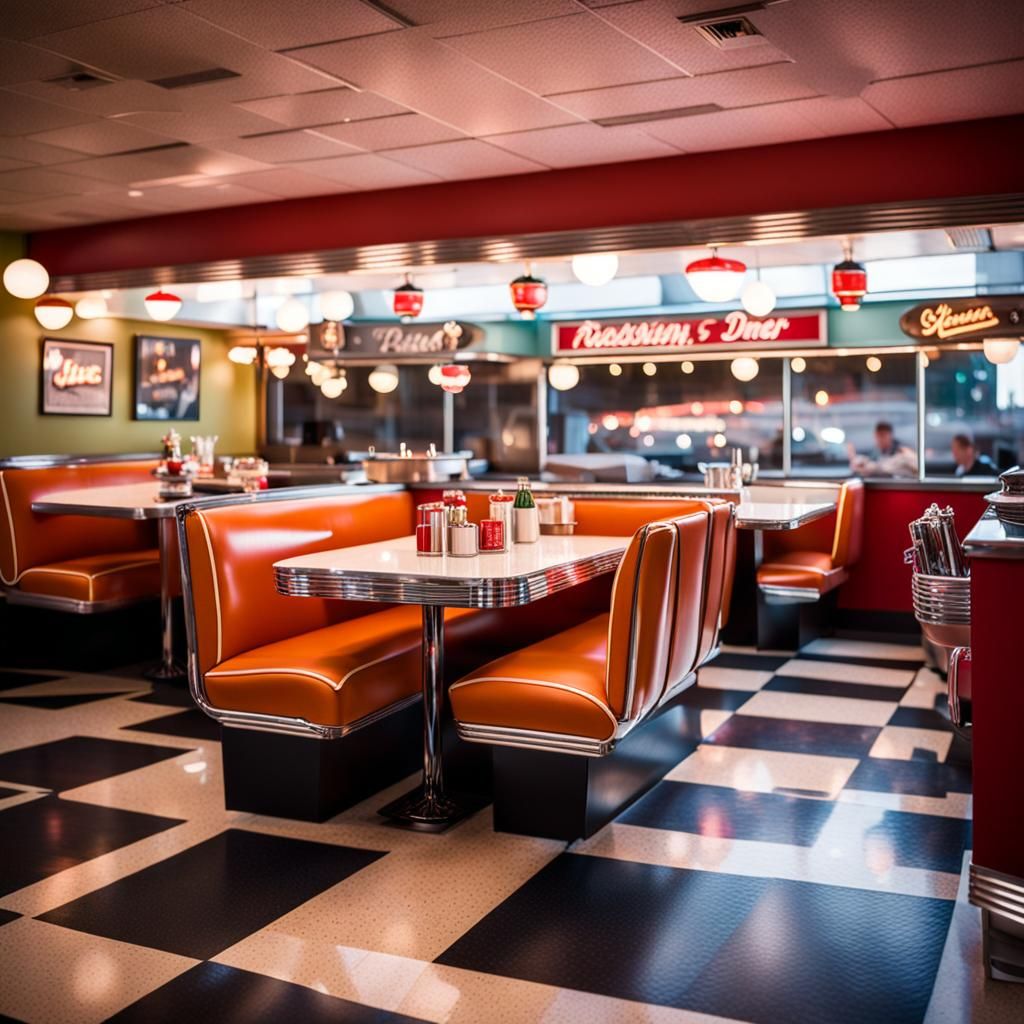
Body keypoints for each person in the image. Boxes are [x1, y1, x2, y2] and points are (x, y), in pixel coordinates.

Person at [848, 420, 918, 478]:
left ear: (890, 435)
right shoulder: (876, 452)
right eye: (877, 436)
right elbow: (871, 464)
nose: (879, 439)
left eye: (882, 435)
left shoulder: (903, 451)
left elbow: (916, 465)